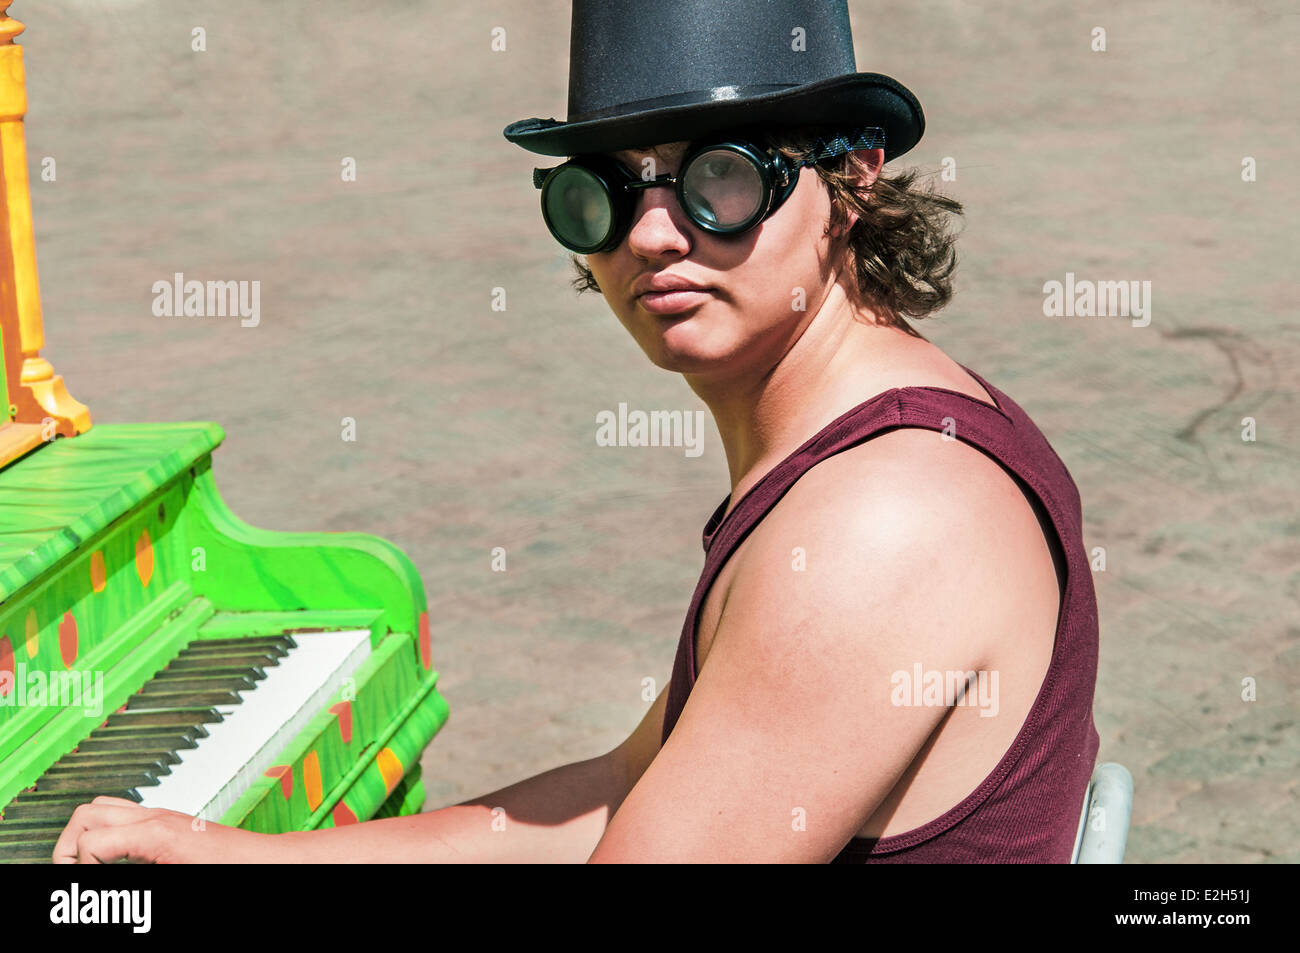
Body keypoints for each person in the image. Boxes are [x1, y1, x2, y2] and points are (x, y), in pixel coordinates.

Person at [53, 0, 1099, 863]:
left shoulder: (887, 517)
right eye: (604, 184)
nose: (651, 233)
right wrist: (227, 852)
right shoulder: (859, 438)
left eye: (719, 175)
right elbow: (628, 787)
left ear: (852, 172)